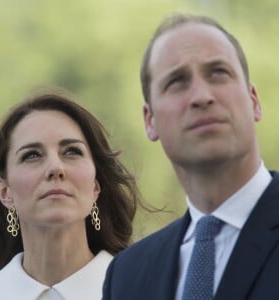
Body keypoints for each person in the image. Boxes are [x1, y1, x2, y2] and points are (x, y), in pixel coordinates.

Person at [103, 13, 279, 300]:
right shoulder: (127, 276)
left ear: (254, 101)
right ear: (150, 121)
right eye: (177, 81)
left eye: (218, 73)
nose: (201, 95)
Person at [0, 88, 139, 299]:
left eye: (72, 151)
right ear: (4, 191)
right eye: (32, 155)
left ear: (95, 187)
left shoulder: (143, 290)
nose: (55, 168)